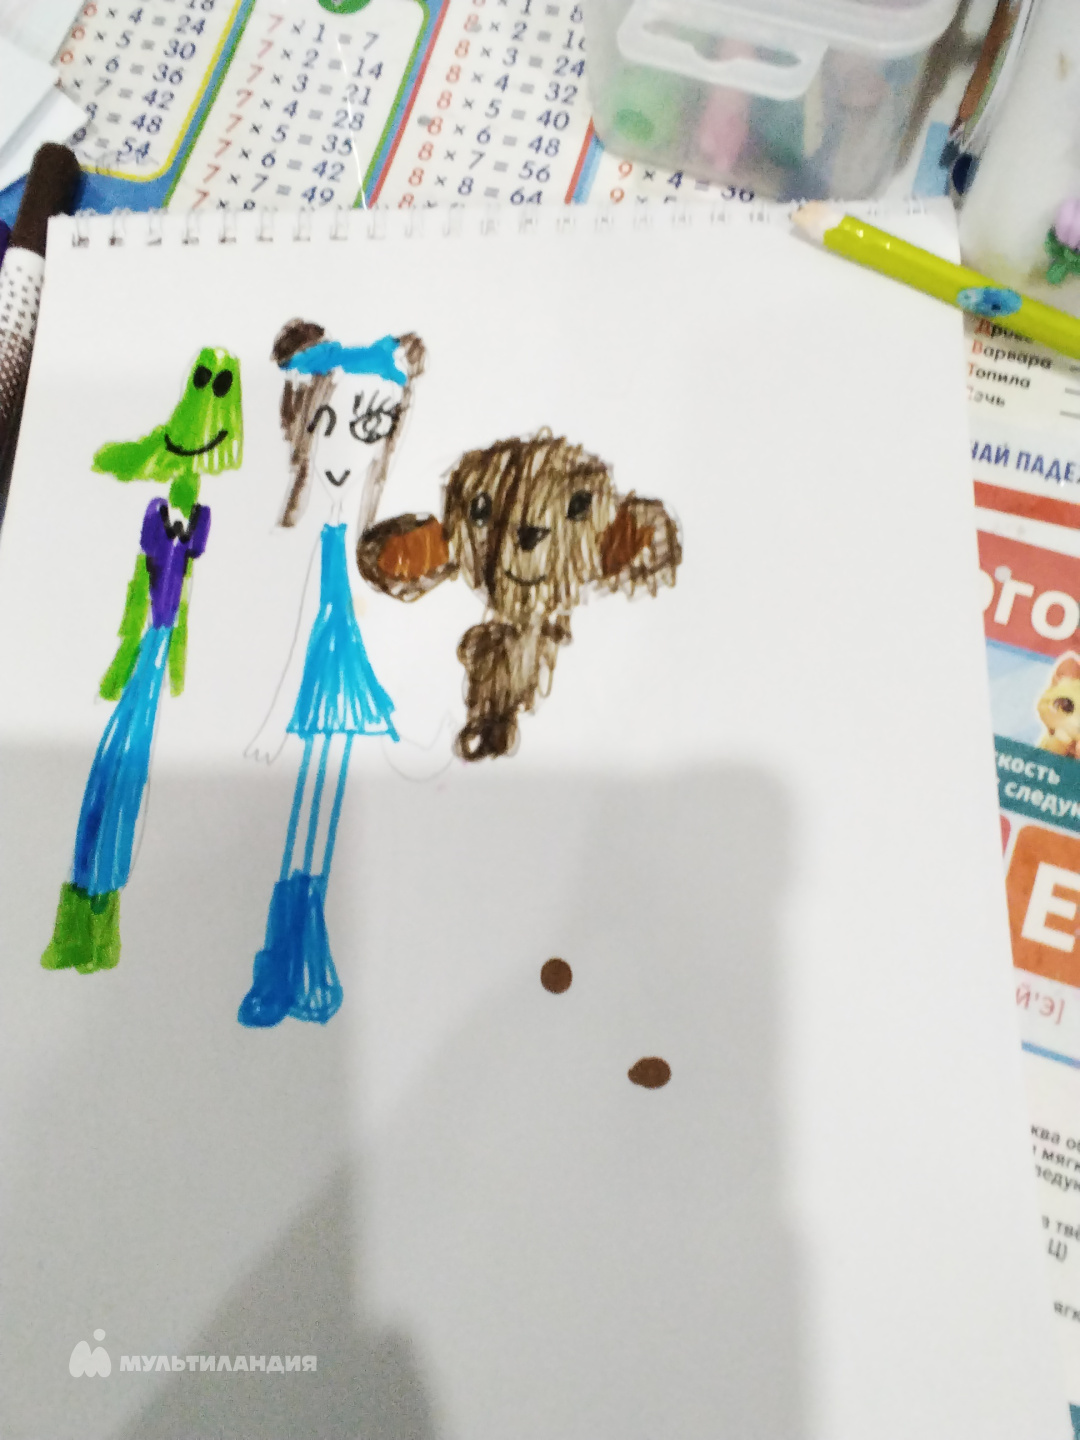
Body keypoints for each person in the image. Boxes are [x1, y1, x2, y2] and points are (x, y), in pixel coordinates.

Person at [238, 319, 424, 1028]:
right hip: (321, 682)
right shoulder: (315, 538)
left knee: (320, 820)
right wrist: (273, 722)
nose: (344, 449)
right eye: (326, 424)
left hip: (343, 681)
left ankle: (296, 964)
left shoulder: (361, 538)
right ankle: (283, 966)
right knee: (301, 822)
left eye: (367, 427)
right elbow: (300, 628)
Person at [42, 348, 244, 974]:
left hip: (158, 655)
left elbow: (187, 591)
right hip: (138, 652)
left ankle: (100, 924)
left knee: (129, 780)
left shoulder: (201, 517)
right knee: (110, 771)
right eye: (203, 383)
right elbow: (143, 584)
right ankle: (78, 918)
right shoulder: (157, 512)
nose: (209, 401)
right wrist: (128, 653)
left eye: (221, 387)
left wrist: (173, 660)